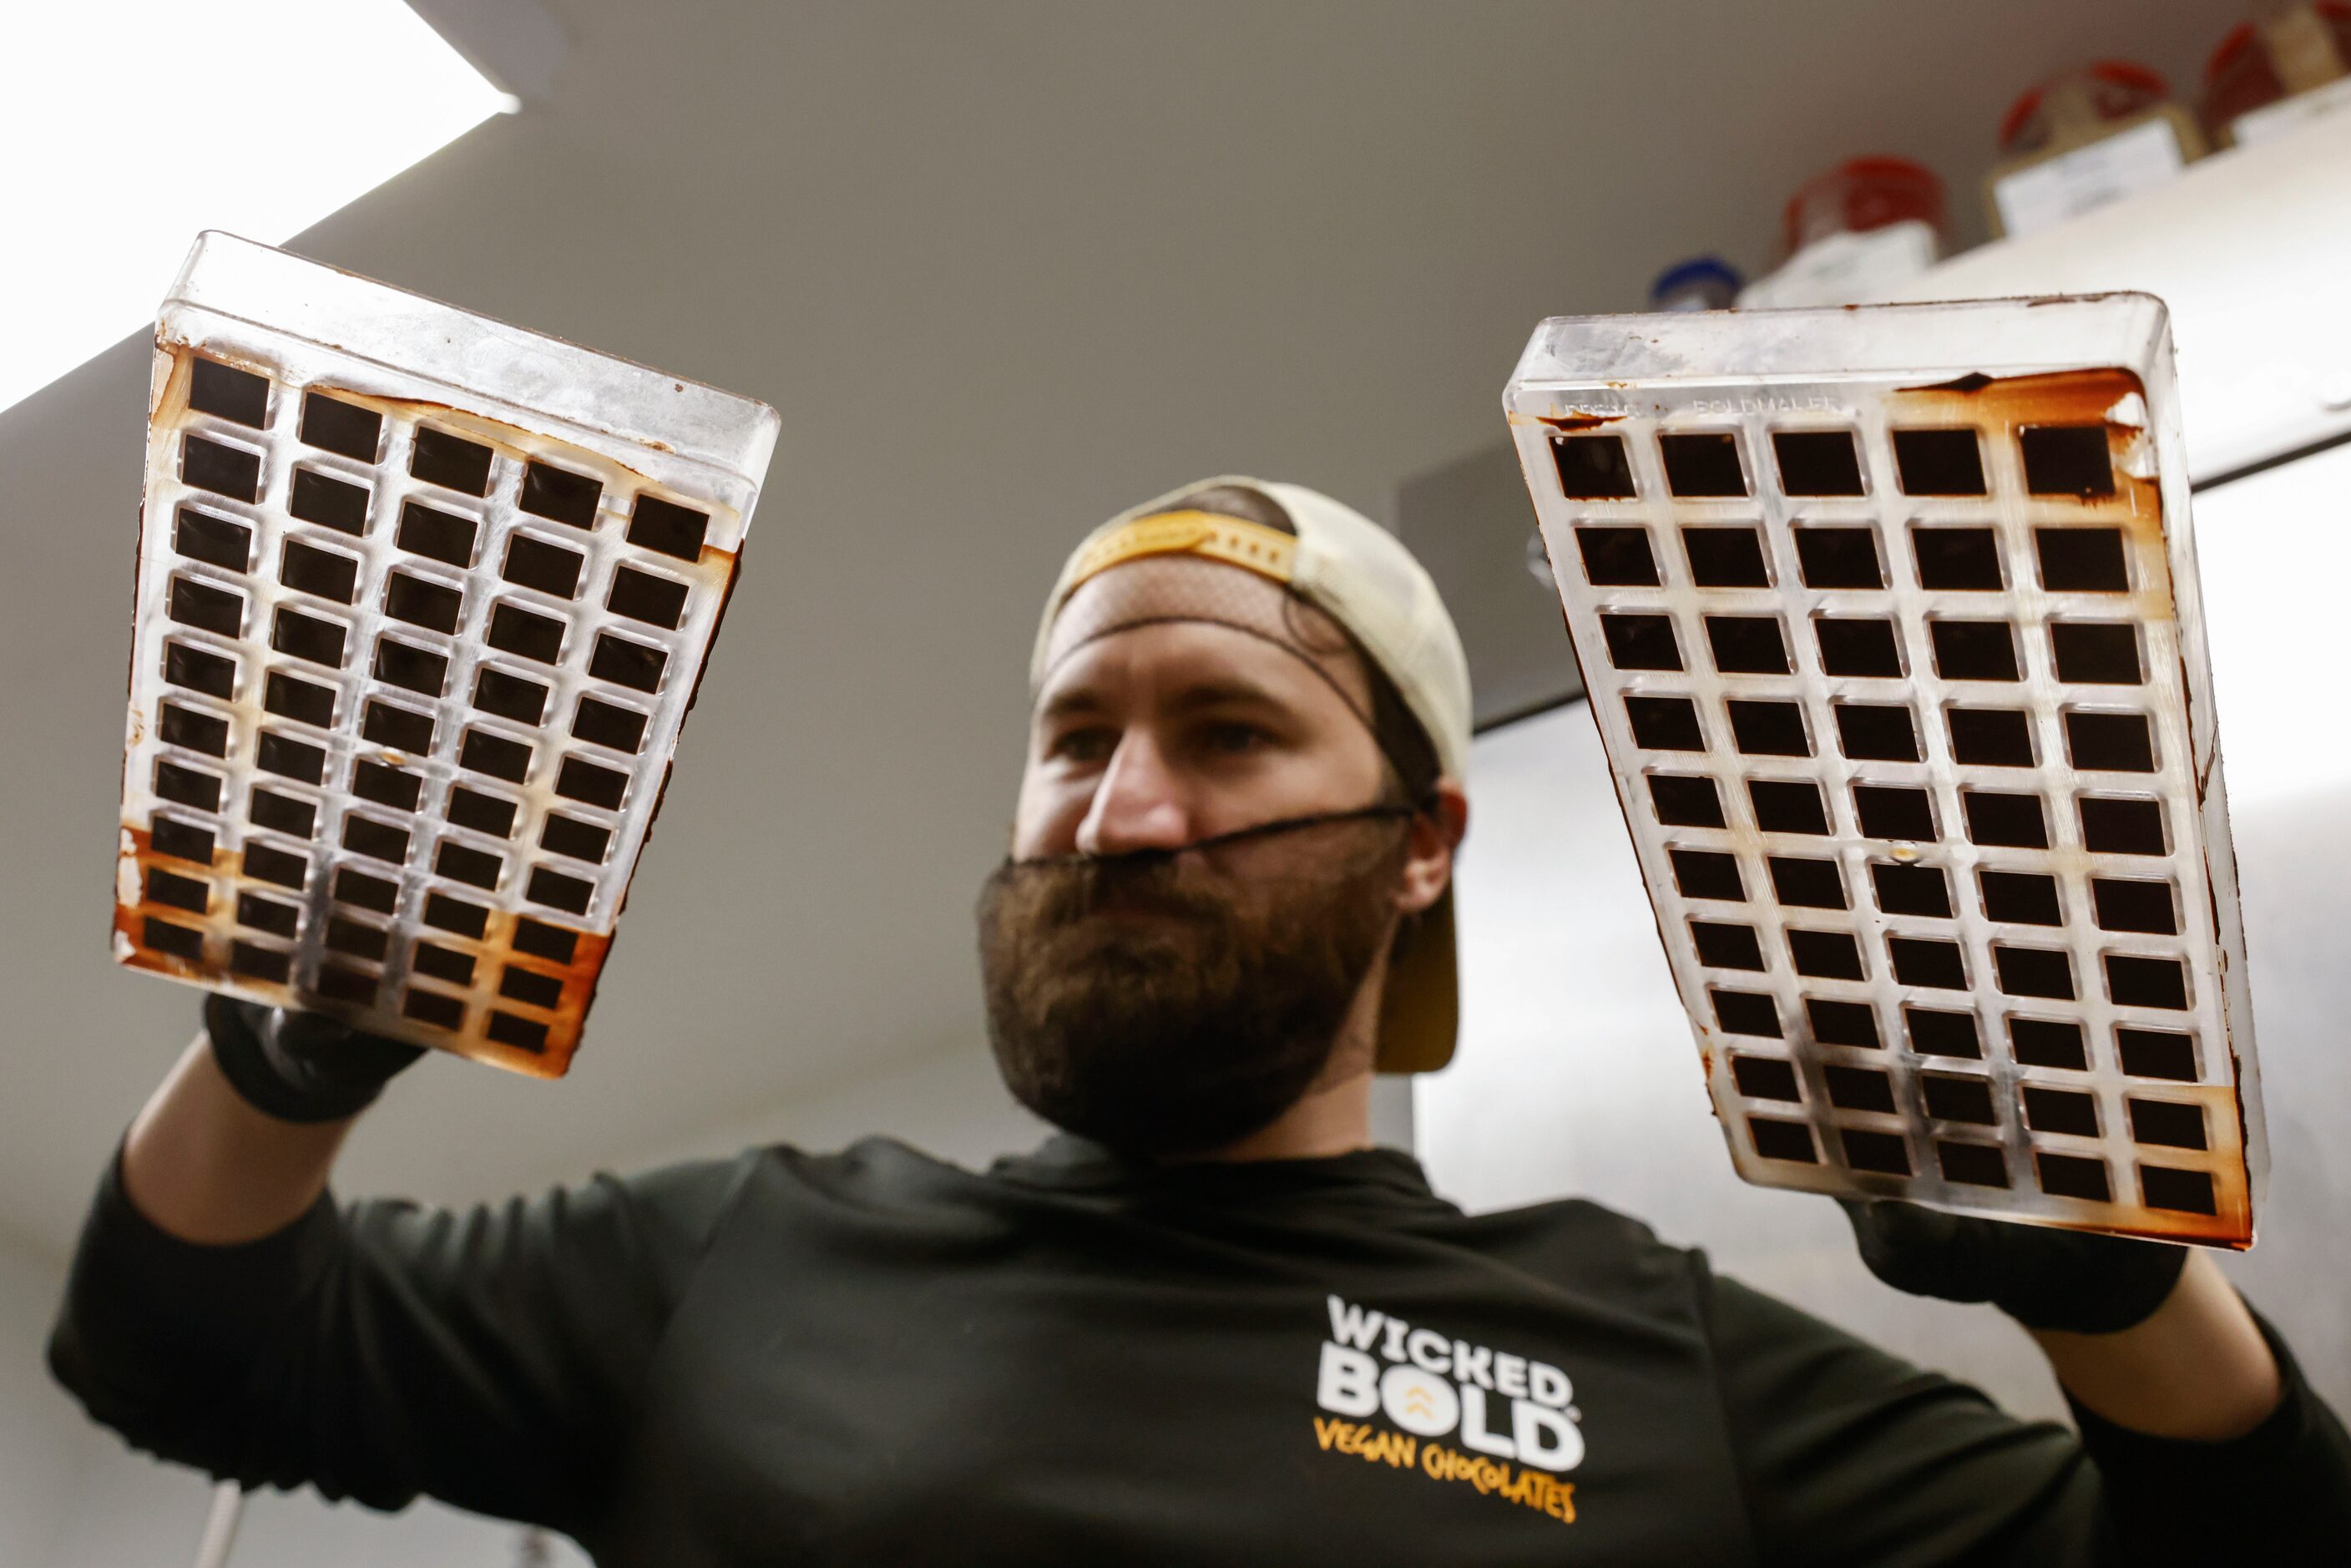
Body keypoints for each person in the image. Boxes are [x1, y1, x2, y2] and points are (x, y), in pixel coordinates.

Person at [51, 478, 2351, 1565]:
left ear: (1422, 842)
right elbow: (175, 1340)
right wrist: (292, 1050)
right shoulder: (746, 1261)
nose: (1123, 810)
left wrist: (2119, 1280)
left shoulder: (1647, 1364)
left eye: (1229, 734)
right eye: (1071, 738)